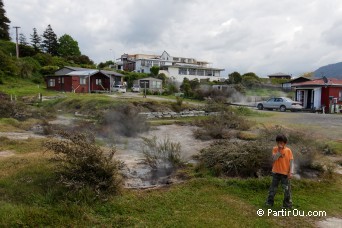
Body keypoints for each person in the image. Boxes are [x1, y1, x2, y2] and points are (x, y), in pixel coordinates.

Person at [266, 134, 294, 209]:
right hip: (276, 172)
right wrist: (279, 150)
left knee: (286, 190)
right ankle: (269, 203)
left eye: (281, 143)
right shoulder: (275, 149)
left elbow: (291, 162)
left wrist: (291, 172)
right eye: (278, 142)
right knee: (272, 189)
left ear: (285, 143)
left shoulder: (288, 150)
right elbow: (274, 159)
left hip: (285, 174)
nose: (280, 144)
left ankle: (287, 205)